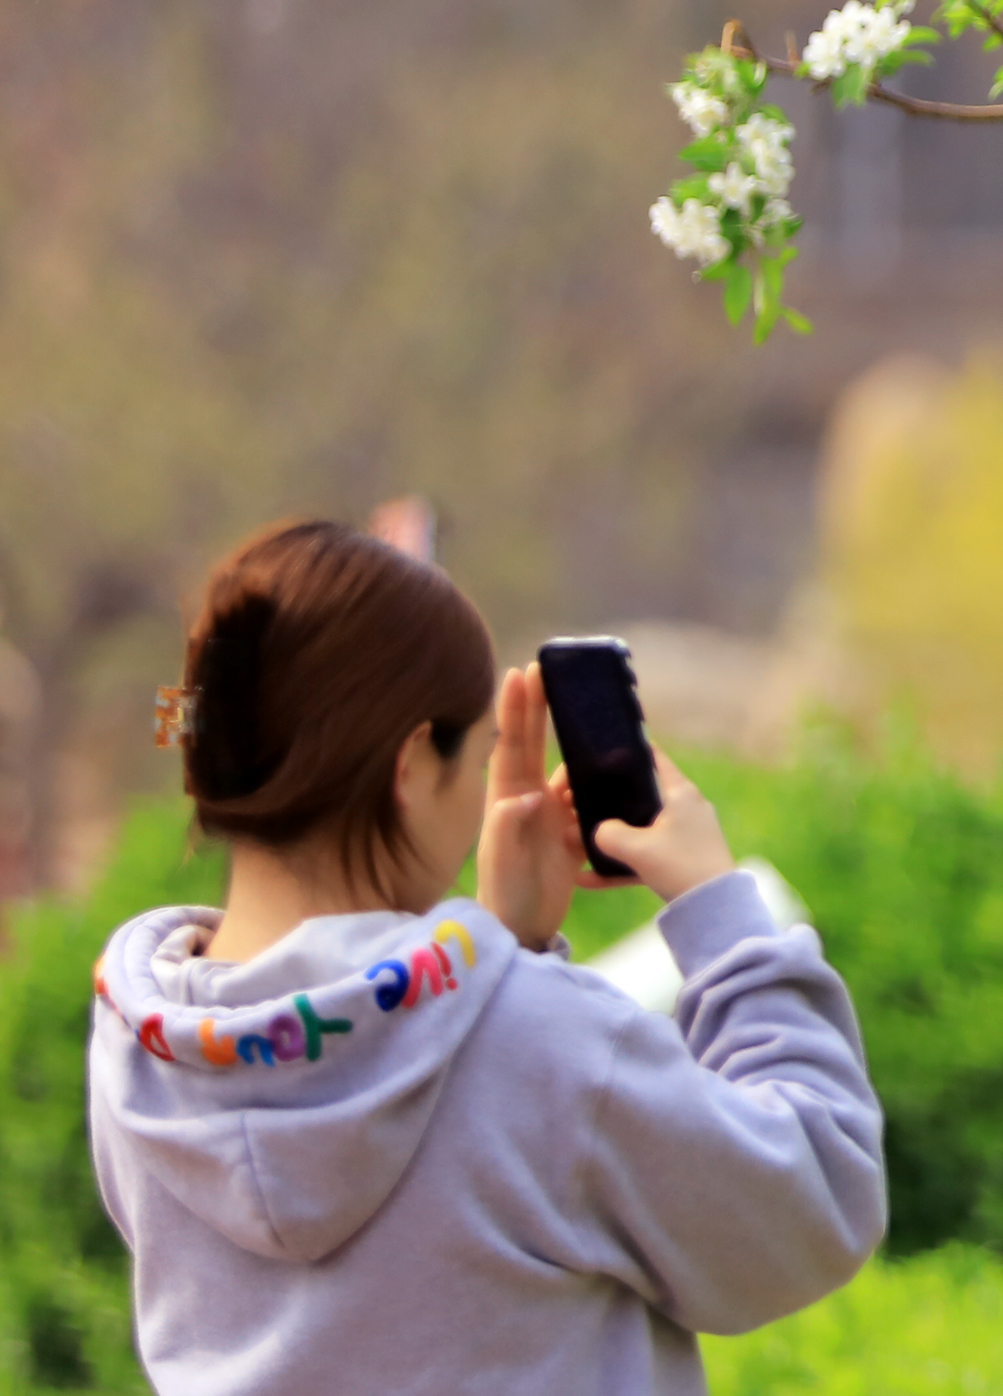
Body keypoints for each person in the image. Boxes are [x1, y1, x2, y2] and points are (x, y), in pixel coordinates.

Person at [86, 518, 885, 1394]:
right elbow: (815, 1205)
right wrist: (718, 912)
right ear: (409, 768)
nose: (479, 801)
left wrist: (508, 954)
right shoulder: (532, 1038)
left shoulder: (140, 1046)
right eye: (474, 760)